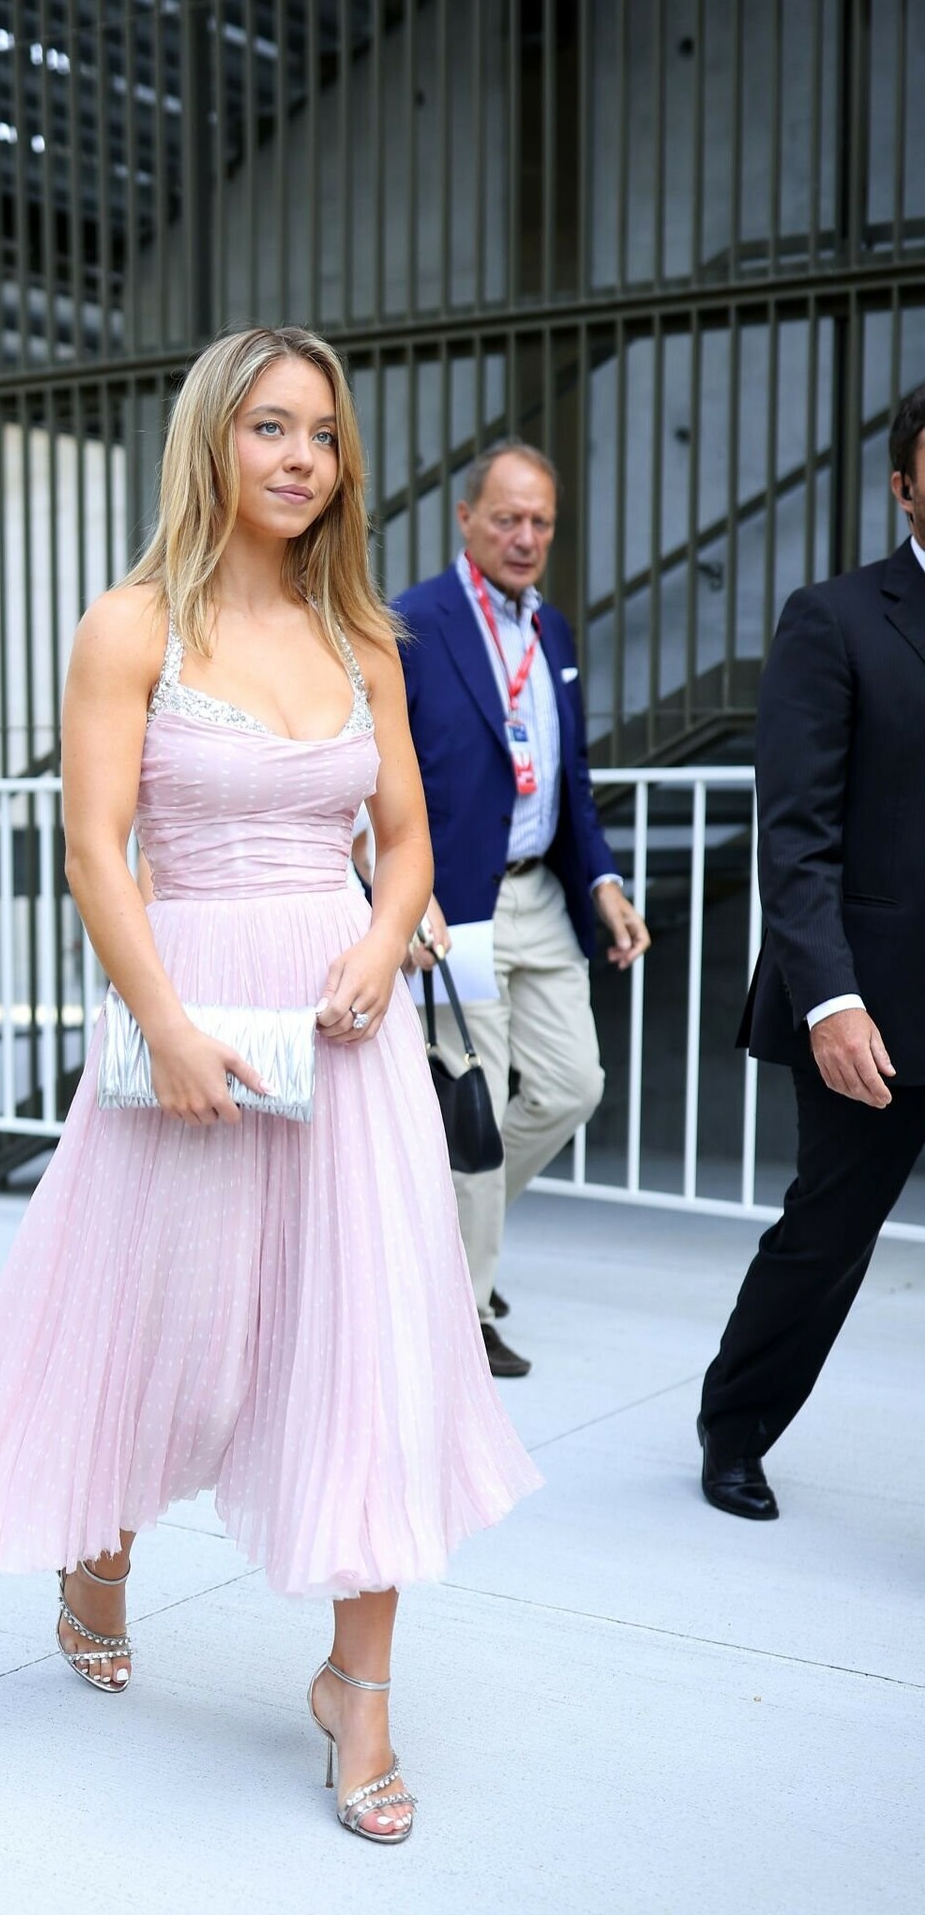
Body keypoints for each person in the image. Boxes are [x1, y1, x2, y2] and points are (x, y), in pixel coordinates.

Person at [0, 326, 541, 1842]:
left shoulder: (364, 635)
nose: (301, 458)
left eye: (323, 434)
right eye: (270, 428)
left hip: (347, 1036)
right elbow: (94, 849)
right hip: (188, 1022)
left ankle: (358, 1689)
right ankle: (97, 1545)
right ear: (212, 441)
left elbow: (409, 841)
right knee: (156, 1325)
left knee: (367, 1343)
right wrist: (161, 1024)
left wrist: (381, 937)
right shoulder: (131, 626)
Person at [699, 385, 925, 1520]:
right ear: (903, 485)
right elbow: (794, 835)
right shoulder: (833, 619)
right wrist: (830, 1000)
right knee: (828, 1236)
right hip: (871, 1004)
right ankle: (734, 1425)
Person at [393, 442, 650, 1378]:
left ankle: (443, 1244)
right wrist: (403, 892)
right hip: (454, 903)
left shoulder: (553, 630)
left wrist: (604, 882)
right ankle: (462, 1310)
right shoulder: (413, 623)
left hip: (541, 892)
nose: (526, 536)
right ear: (466, 519)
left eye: (541, 521)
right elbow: (380, 774)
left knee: (572, 1083)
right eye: (508, 518)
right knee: (475, 1105)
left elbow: (570, 776)